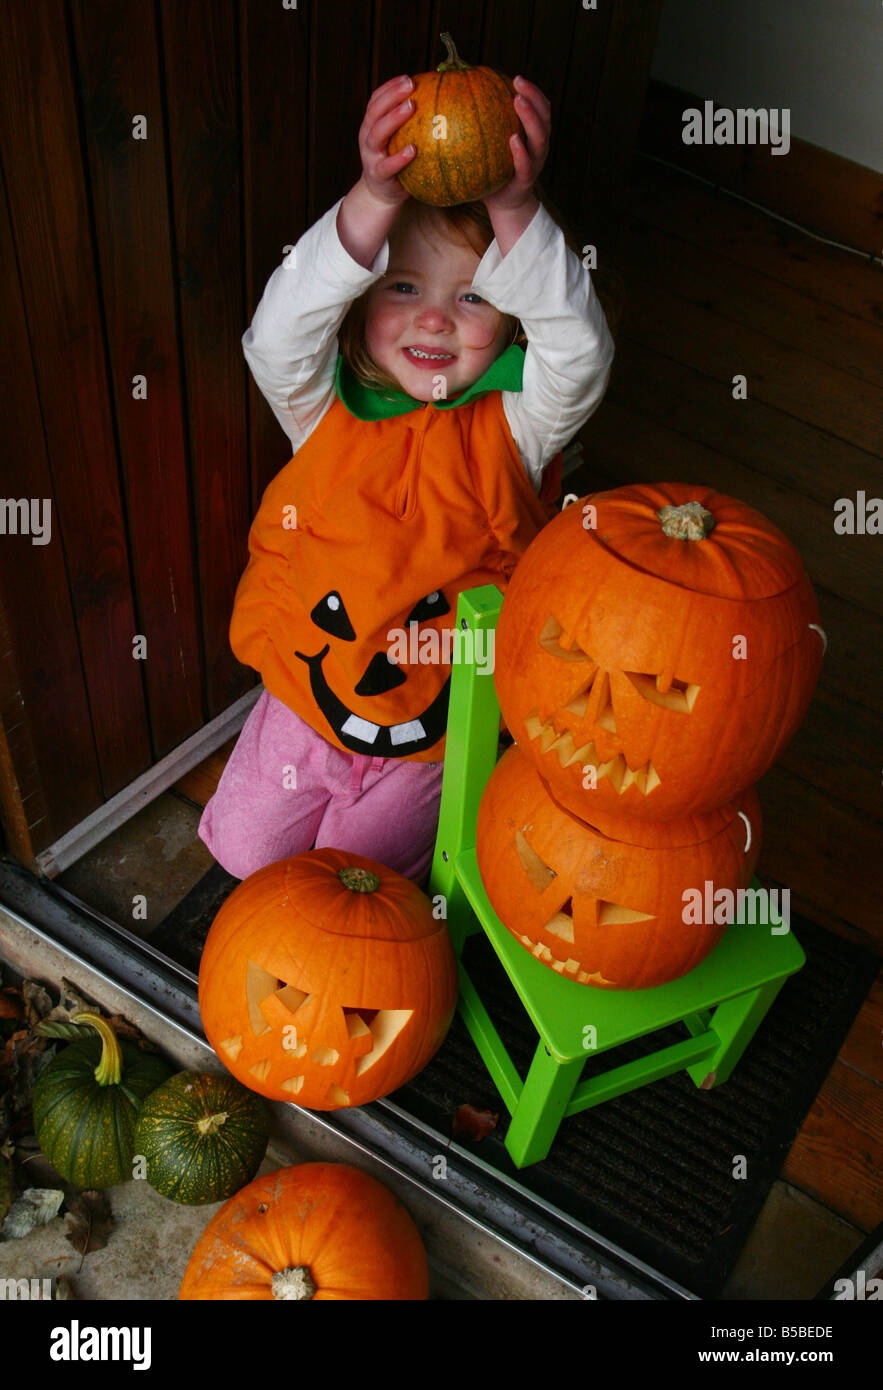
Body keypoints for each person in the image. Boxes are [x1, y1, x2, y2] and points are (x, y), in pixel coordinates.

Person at [198, 72, 614, 887]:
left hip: (432, 731)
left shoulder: (518, 428)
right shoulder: (323, 409)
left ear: (509, 324)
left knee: (367, 885)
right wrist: (367, 201)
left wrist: (517, 213)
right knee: (249, 859)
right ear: (357, 305)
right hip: (305, 699)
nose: (434, 318)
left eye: (471, 296)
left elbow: (582, 355)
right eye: (403, 287)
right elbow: (276, 337)